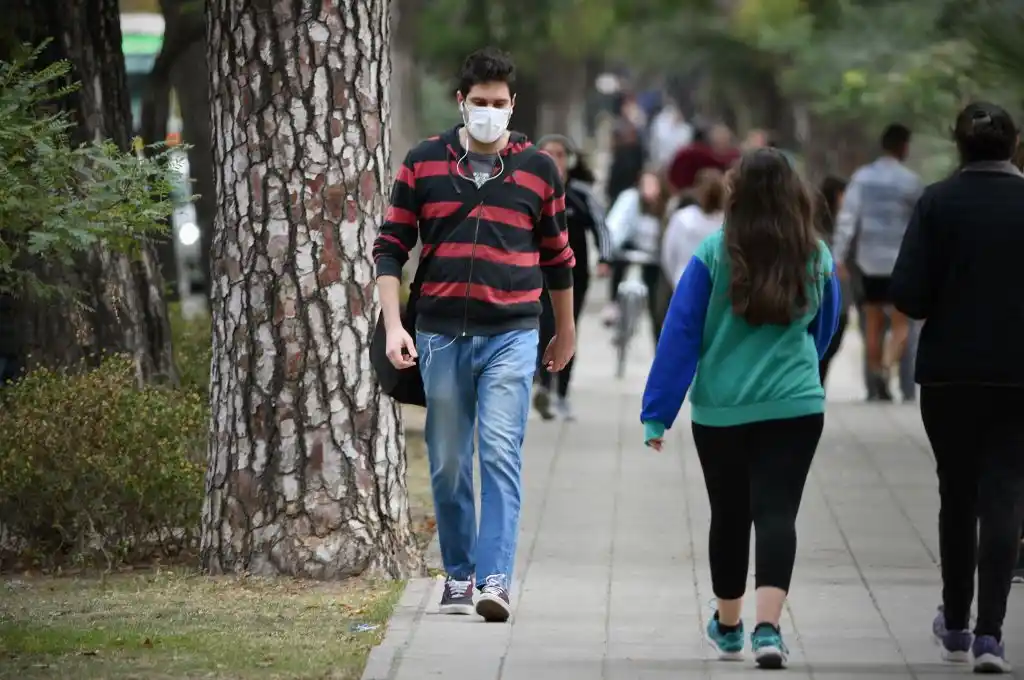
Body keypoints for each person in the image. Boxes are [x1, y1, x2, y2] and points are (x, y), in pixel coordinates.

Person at [371, 47, 577, 623]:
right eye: (479, 103)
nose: (489, 111)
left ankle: (494, 579)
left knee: (500, 453)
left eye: (500, 104)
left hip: (512, 332)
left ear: (514, 106)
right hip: (438, 335)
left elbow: (559, 258)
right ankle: (458, 574)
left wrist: (566, 331)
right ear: (461, 102)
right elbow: (390, 249)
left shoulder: (539, 170)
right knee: (447, 461)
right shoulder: (424, 162)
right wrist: (394, 328)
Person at [641, 148, 841, 669]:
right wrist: (798, 372)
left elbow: (680, 335)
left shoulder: (713, 252)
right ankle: (769, 629)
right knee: (778, 513)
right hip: (796, 407)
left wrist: (658, 411)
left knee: (729, 516)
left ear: (738, 193)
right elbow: (826, 328)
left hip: (723, 411)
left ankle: (729, 627)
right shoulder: (815, 255)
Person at [890, 102, 1024, 673]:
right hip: (1019, 374)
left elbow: (910, 295)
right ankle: (992, 635)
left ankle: (956, 623)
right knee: (1006, 495)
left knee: (957, 495)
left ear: (959, 145)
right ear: (1014, 145)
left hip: (949, 375)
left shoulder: (937, 203)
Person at [832, 123, 923, 401]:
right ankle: (885, 366)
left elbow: (848, 218)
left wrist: (838, 255)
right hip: (900, 262)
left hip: (869, 261)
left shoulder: (862, 178)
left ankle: (875, 372)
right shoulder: (911, 181)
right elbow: (922, 223)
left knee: (872, 323)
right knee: (900, 324)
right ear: (904, 147)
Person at [533, 134, 611, 420]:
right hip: (536, 272)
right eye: (548, 152)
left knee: (567, 328)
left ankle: (562, 394)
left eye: (560, 153)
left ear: (570, 159)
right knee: (542, 327)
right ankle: (543, 385)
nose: (554, 158)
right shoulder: (527, 188)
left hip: (574, 275)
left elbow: (602, 227)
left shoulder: (580, 194)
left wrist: (605, 259)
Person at [604, 168, 671, 345]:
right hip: (631, 247)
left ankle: (658, 338)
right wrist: (608, 251)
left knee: (657, 302)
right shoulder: (630, 200)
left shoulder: (667, 206)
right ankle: (614, 304)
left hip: (656, 255)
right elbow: (616, 225)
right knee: (619, 264)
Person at [661, 168, 725, 289]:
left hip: (684, 282)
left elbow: (668, 254)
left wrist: (675, 279)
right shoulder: (726, 222)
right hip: (715, 288)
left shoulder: (682, 218)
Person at [815, 175, 849, 387]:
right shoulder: (825, 226)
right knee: (829, 341)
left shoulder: (843, 222)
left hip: (839, 294)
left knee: (831, 343)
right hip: (830, 293)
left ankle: (819, 384)